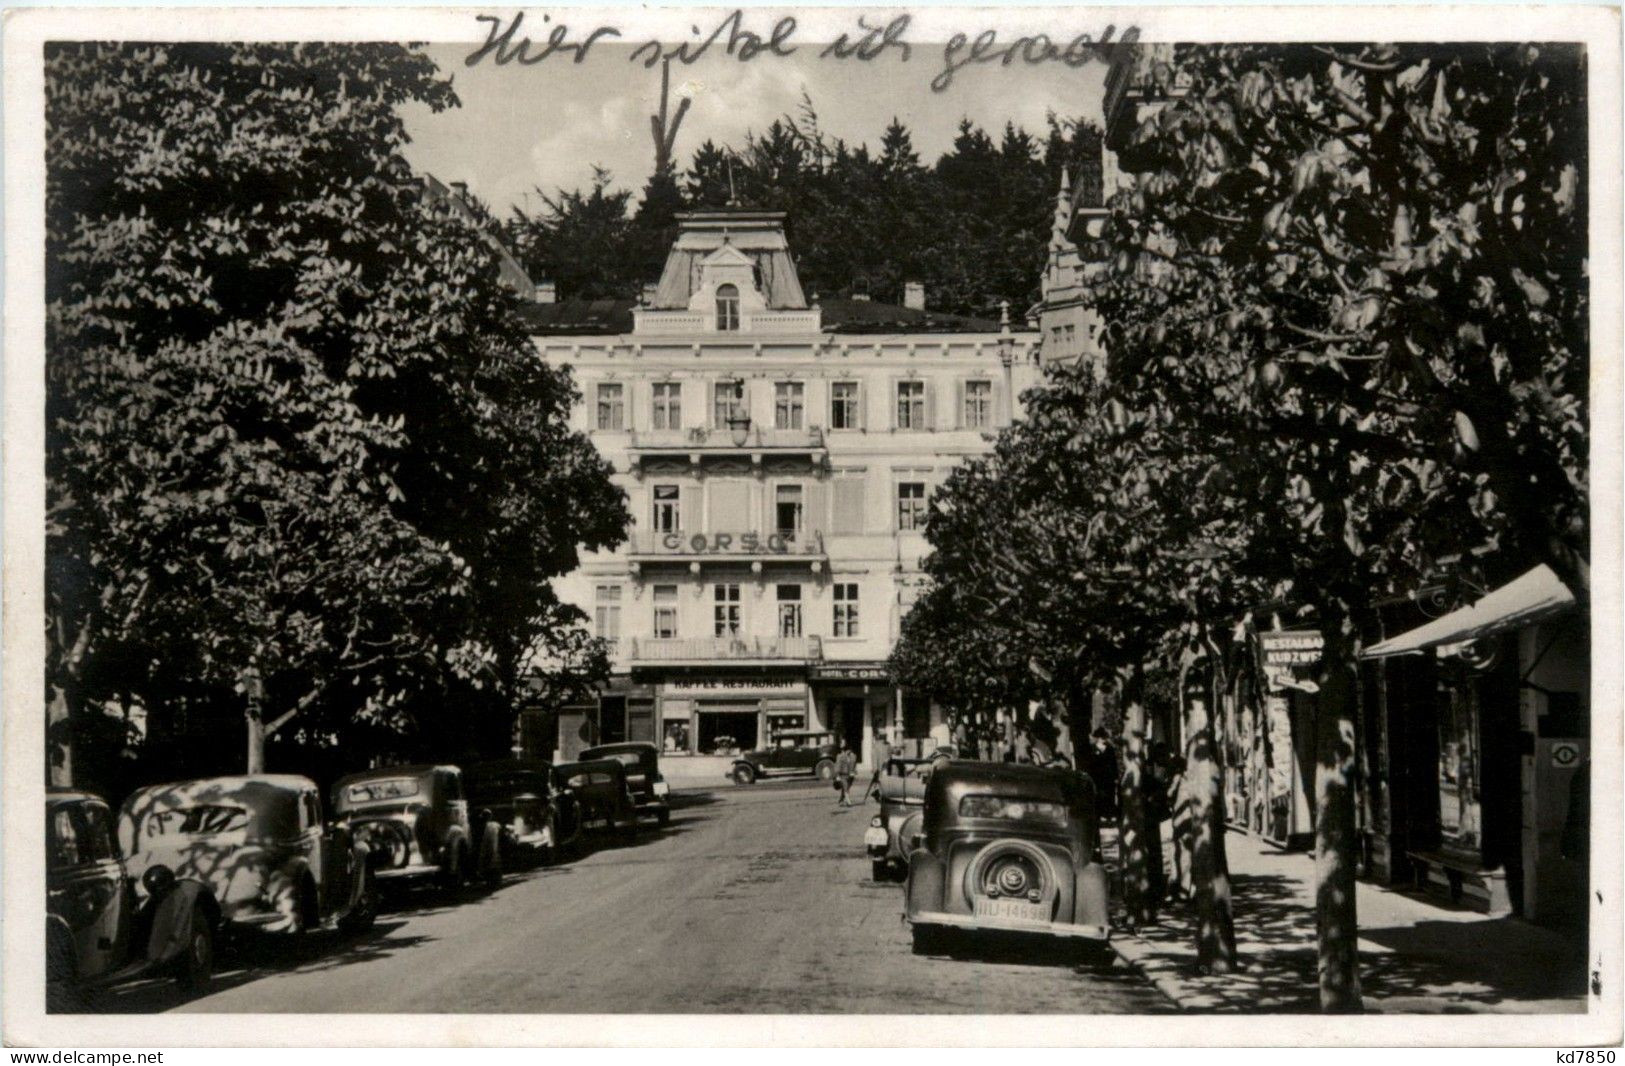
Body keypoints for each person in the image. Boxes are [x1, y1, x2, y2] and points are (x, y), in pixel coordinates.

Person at [1088, 729, 1119, 819]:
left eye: (1104, 737)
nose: (1102, 739)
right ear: (1097, 738)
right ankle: (1098, 814)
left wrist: (1115, 776)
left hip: (1108, 776)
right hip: (1097, 776)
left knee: (1109, 795)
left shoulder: (1110, 749)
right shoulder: (1092, 749)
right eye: (1101, 737)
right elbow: (1090, 764)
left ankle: (1108, 814)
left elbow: (1114, 763)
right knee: (1097, 795)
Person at [834, 742, 859, 807]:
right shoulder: (840, 756)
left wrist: (854, 772)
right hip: (843, 774)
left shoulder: (853, 756)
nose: (848, 752)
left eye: (849, 750)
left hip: (851, 775)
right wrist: (837, 775)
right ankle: (848, 801)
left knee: (847, 787)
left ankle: (841, 800)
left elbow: (854, 765)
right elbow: (838, 766)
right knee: (845, 787)